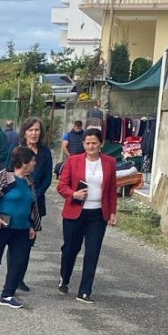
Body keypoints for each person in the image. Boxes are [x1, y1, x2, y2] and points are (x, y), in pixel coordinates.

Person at [0, 146, 41, 309]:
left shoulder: (29, 181)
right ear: (24, 162)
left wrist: (32, 225)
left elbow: (31, 205)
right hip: (1, 226)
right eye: (32, 161)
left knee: (19, 260)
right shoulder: (4, 177)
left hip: (22, 229)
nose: (34, 164)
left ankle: (7, 294)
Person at [57, 127, 117, 304]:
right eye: (88, 143)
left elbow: (112, 190)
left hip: (98, 214)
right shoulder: (73, 161)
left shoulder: (109, 162)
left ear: (101, 144)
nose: (91, 146)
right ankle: (64, 277)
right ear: (83, 143)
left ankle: (84, 291)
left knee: (92, 251)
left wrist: (113, 211)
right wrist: (73, 194)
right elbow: (62, 186)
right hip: (75, 212)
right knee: (70, 249)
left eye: (94, 143)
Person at [13, 117, 53, 293]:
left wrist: (35, 195)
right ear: (25, 132)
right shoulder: (17, 150)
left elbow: (47, 178)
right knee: (13, 240)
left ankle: (20, 276)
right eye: (31, 130)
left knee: (28, 242)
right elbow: (9, 171)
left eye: (37, 130)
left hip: (36, 203)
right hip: (16, 202)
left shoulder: (45, 152)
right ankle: (12, 278)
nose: (34, 133)